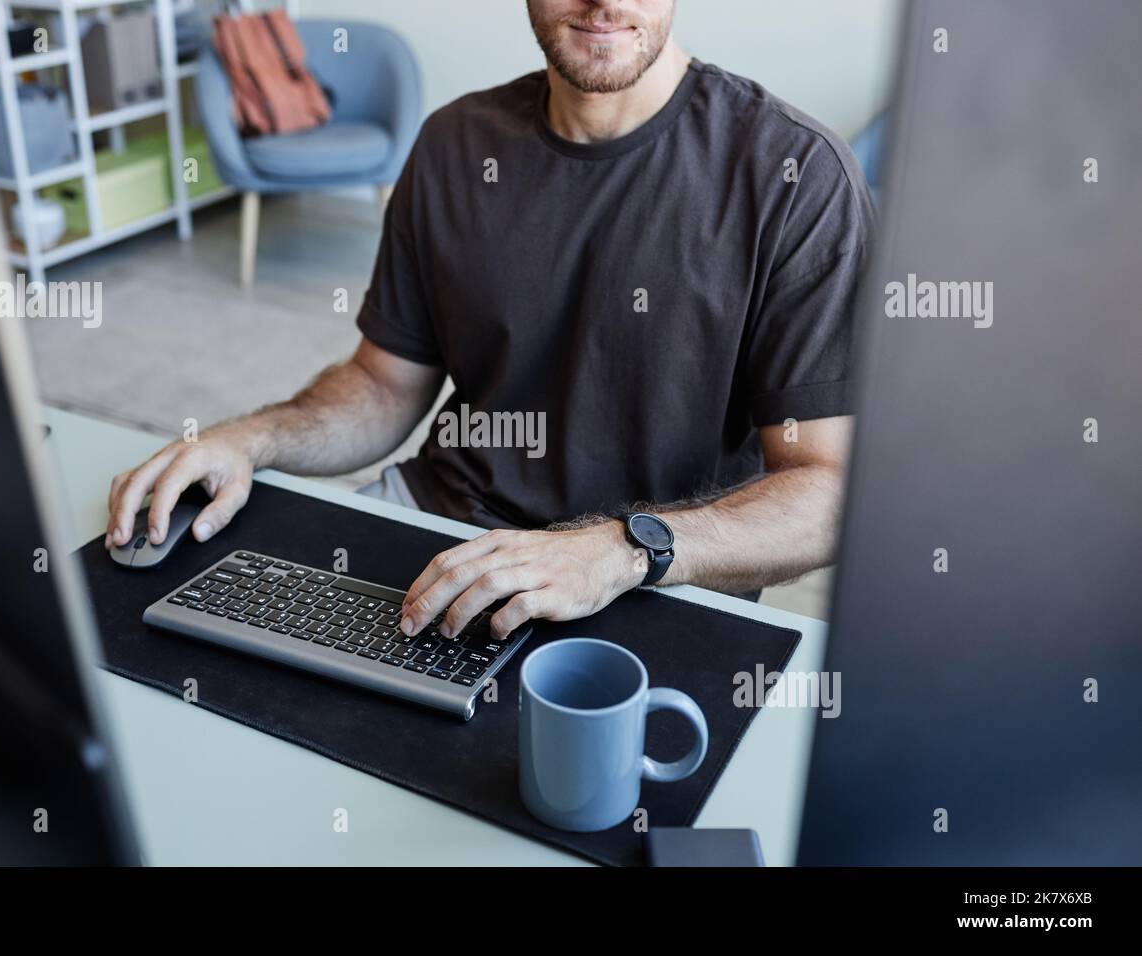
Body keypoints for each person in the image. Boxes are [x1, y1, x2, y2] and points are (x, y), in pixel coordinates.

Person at [106, 0, 872, 644]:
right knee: (192, 636)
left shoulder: (794, 177)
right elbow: (381, 385)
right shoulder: (453, 145)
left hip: (652, 578)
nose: (603, 1)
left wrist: (620, 550)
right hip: (442, 526)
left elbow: (828, 491)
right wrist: (251, 438)